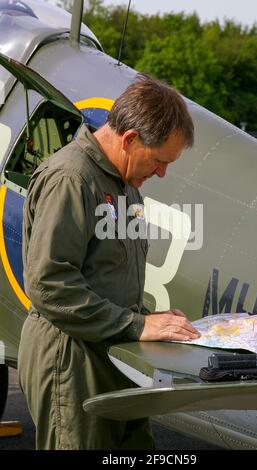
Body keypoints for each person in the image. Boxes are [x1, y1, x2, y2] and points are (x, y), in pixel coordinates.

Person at [18, 73, 199, 450]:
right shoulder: (71, 178)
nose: (162, 173)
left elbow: (108, 271)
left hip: (114, 352)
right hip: (72, 361)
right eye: (159, 160)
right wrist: (136, 325)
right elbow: (49, 285)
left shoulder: (126, 181)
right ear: (130, 139)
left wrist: (155, 318)